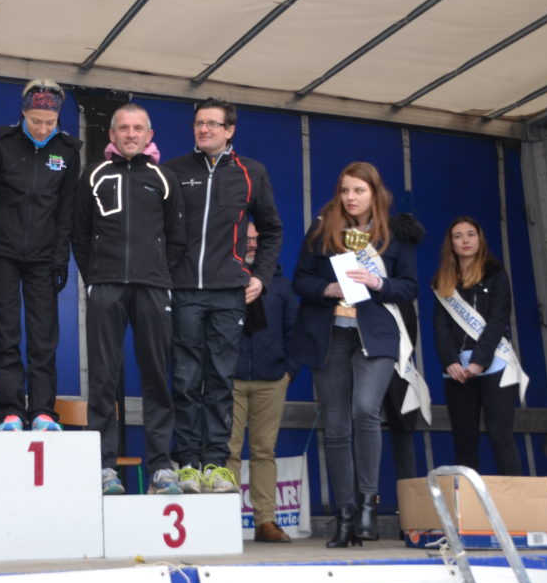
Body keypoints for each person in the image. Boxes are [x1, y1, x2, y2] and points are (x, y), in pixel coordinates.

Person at [290, 161, 425, 548]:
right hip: (330, 333)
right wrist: (327, 289)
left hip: (376, 335)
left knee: (365, 409)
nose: (351, 197)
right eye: (345, 190)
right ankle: (345, 515)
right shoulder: (322, 230)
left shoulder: (395, 234)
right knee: (335, 427)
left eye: (359, 191)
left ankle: (368, 503)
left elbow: (410, 287)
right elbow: (300, 279)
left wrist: (377, 282)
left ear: (374, 194)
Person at [165, 98, 282, 494]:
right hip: (184, 289)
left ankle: (215, 464)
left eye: (213, 124)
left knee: (219, 380)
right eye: (199, 123)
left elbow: (272, 230)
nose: (204, 129)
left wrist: (260, 276)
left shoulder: (252, 172)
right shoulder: (175, 170)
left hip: (229, 293)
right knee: (185, 379)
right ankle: (187, 463)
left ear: (230, 130)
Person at [72, 103, 185, 496]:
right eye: (124, 128)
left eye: (138, 128)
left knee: (156, 376)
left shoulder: (164, 178)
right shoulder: (94, 175)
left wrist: (161, 277)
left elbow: (177, 239)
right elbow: (79, 233)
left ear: (149, 135)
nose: (131, 134)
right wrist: (93, 279)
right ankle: (105, 467)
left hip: (152, 288)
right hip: (106, 288)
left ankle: (161, 468)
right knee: (103, 378)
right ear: (112, 135)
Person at [0, 80, 82, 432]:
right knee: (5, 333)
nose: (42, 128)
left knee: (43, 337)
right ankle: (10, 410)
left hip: (43, 257)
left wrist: (60, 258)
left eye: (49, 122)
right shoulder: (1, 144)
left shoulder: (68, 151)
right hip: (2, 254)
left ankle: (42, 410)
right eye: (36, 120)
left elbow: (66, 210)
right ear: (24, 113)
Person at [433, 215, 527, 476]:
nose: (465, 240)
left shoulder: (496, 275)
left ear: (480, 239)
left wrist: (479, 361)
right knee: (464, 440)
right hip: (457, 370)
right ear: (451, 244)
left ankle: (515, 498)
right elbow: (440, 326)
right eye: (458, 236)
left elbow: (498, 320)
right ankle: (469, 500)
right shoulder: (442, 281)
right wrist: (450, 362)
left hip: (495, 364)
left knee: (500, 436)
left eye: (470, 234)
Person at [226, 225, 298, 542]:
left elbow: (294, 330)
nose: (253, 244)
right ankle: (225, 520)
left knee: (264, 452)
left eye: (257, 239)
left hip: (271, 380)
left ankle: (265, 522)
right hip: (230, 379)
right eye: (247, 239)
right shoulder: (223, 279)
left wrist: (288, 371)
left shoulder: (280, 285)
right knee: (228, 451)